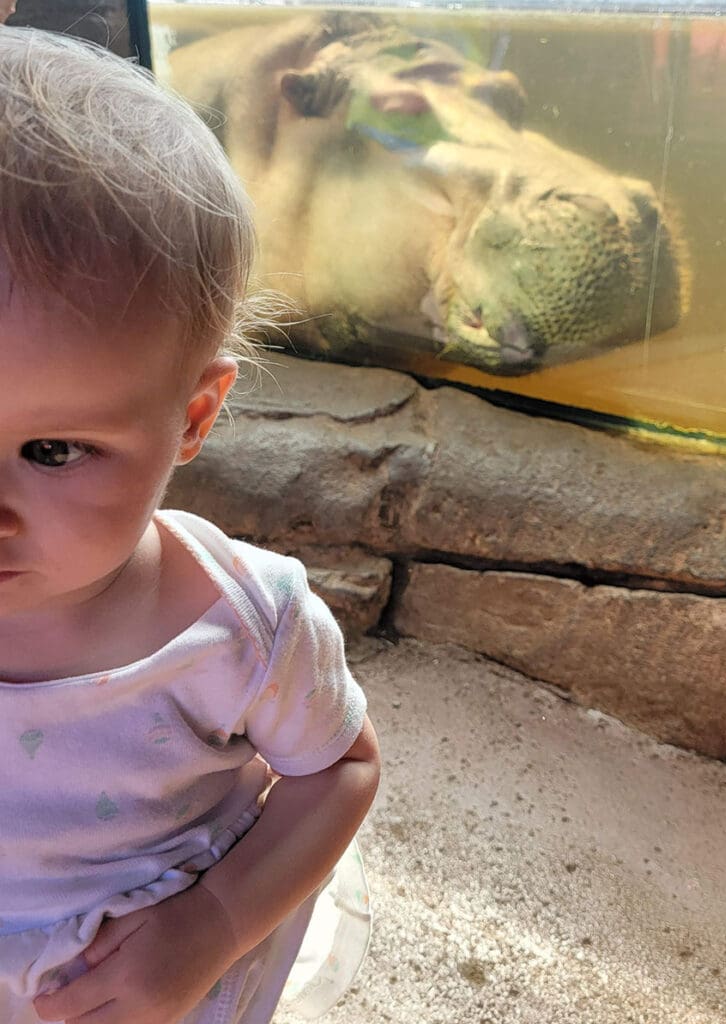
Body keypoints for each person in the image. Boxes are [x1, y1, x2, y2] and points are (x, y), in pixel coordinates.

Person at [0, 26, 381, 1024]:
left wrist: (211, 923)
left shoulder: (242, 626)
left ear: (195, 418)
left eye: (51, 451)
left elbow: (342, 768)